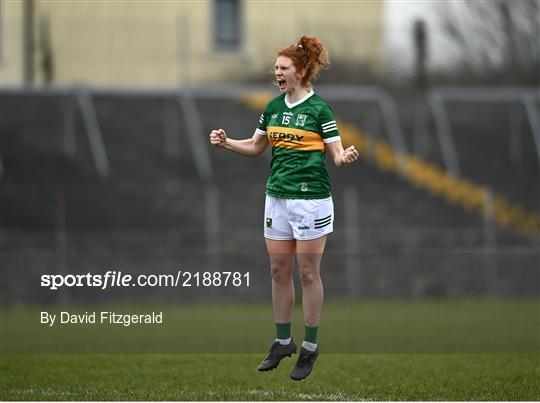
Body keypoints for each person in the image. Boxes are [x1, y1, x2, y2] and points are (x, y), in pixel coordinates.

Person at [209, 35, 359, 381]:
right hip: (276, 197)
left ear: (301, 71)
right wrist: (227, 142)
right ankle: (282, 341)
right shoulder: (274, 107)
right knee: (278, 271)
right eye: (275, 68)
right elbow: (255, 145)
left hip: (310, 201)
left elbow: (336, 154)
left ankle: (309, 346)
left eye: (283, 68)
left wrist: (345, 156)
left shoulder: (319, 109)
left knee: (308, 274)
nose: (277, 73)